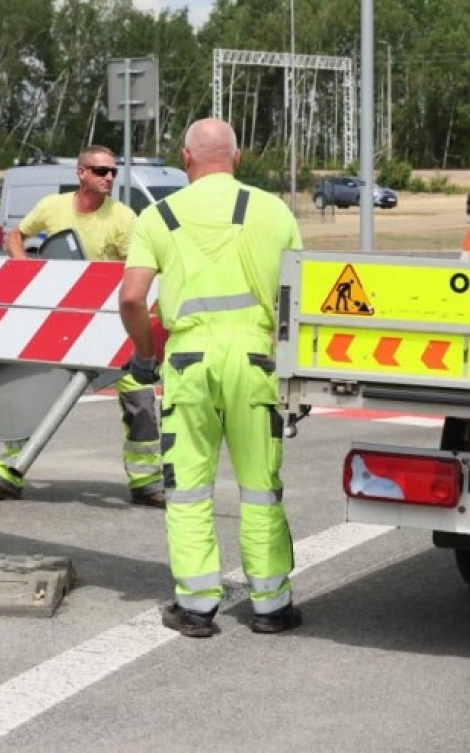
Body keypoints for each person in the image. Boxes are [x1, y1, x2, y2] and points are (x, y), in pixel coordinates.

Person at [118, 118, 303, 638]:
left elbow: (132, 298)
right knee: (261, 486)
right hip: (255, 360)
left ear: (186, 158)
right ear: (237, 159)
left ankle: (197, 607)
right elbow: (300, 298)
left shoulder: (158, 216)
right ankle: (273, 606)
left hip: (188, 362)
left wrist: (144, 353)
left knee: (189, 490)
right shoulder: (275, 211)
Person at [0, 145, 165, 507]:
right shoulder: (51, 208)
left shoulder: (123, 218)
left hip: (109, 327)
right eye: (100, 171)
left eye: (113, 172)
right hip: (60, 325)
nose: (109, 178)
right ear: (81, 173)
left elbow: (135, 270)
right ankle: (8, 475)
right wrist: (24, 266)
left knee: (140, 400)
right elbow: (16, 236)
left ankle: (147, 482)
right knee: (34, 395)